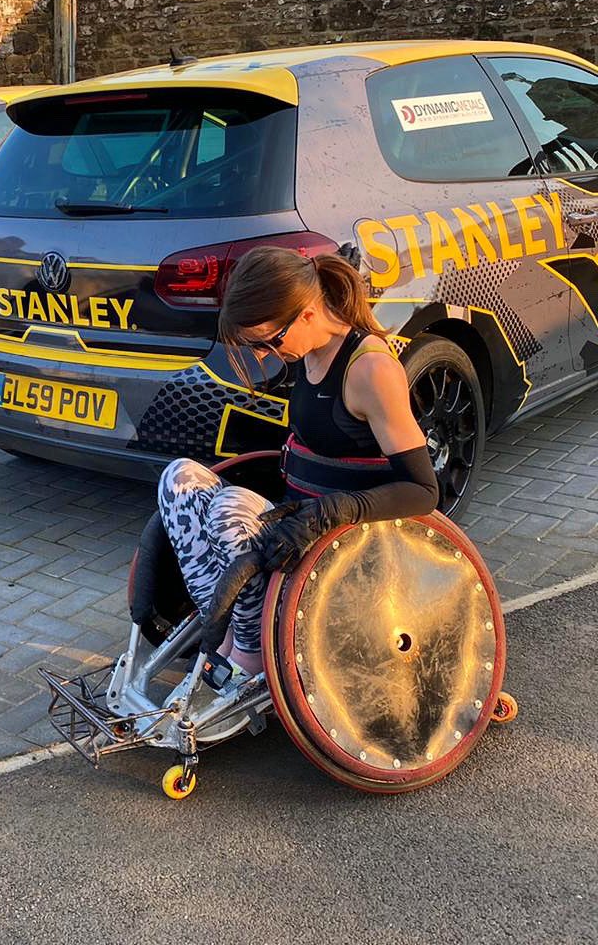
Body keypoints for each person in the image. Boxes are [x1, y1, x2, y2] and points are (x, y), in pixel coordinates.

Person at [150, 245, 439, 683]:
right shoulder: (308, 351)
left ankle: (251, 654)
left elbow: (424, 491)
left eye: (269, 340)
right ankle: (224, 632)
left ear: (306, 313)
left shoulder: (371, 370)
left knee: (230, 508)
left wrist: (333, 511)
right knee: (179, 477)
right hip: (297, 524)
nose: (265, 354)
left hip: (348, 543)